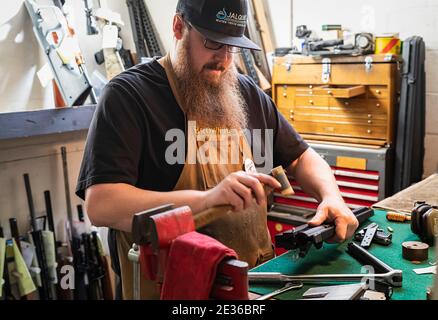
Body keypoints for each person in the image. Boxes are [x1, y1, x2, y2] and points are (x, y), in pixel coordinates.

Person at [75, 0, 359, 300]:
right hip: (173, 291)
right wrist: (208, 199)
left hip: (254, 288)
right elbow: (102, 205)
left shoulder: (247, 93)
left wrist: (332, 197)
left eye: (231, 46)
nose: (223, 59)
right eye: (212, 41)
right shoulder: (129, 96)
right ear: (178, 27)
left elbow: (301, 157)